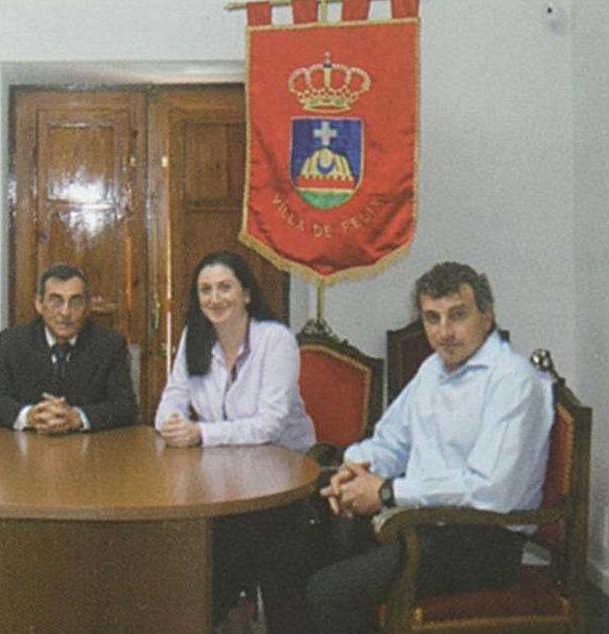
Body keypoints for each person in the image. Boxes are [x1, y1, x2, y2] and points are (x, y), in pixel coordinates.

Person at [290, 262, 553, 634]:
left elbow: (490, 491)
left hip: (481, 540)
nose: (444, 332)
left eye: (457, 316)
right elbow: (390, 442)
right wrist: (353, 471)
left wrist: (384, 491)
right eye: (432, 318)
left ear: (487, 316)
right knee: (294, 553)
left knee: (329, 591)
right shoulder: (433, 369)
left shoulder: (513, 381)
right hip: (425, 524)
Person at [154, 250, 316, 633]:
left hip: (283, 474)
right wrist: (171, 424)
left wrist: (201, 434)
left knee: (228, 543)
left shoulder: (274, 340)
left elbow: (270, 425)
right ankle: (200, 616)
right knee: (185, 536)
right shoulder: (194, 337)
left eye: (225, 287)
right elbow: (171, 399)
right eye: (205, 290)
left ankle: (207, 615)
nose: (215, 298)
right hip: (220, 471)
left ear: (245, 293)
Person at [0, 263, 137, 433]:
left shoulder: (109, 344)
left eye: (75, 302)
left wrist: (78, 417)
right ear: (39, 304)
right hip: (27, 448)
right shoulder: (12, 341)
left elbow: (126, 408)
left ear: (87, 306)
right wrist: (30, 416)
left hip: (90, 450)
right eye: (56, 301)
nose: (65, 312)